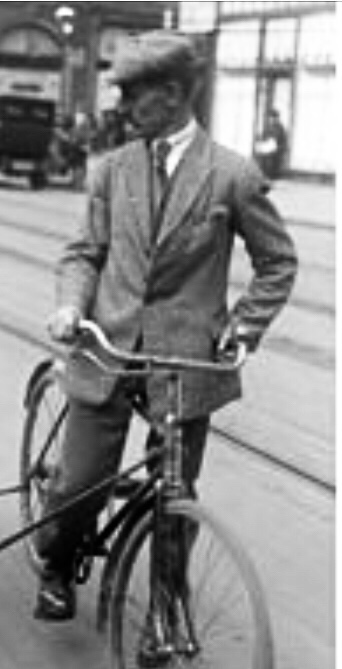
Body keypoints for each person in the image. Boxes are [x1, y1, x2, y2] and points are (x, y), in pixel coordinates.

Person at [34, 30, 298, 626]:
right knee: (79, 483)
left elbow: (278, 263)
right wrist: (71, 307)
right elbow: (84, 253)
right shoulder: (111, 169)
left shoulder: (232, 175)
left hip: (184, 363)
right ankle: (56, 562)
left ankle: (165, 609)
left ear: (174, 93)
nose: (122, 105)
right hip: (107, 349)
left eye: (133, 93)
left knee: (174, 495)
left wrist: (242, 329)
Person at [256, 109, 288, 180]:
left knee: (269, 159)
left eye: (273, 118)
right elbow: (263, 137)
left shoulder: (280, 128)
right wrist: (261, 142)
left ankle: (270, 176)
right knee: (261, 156)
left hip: (277, 149)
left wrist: (274, 145)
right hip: (268, 147)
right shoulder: (267, 127)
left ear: (277, 118)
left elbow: (280, 140)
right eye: (270, 118)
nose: (272, 120)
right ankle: (262, 175)